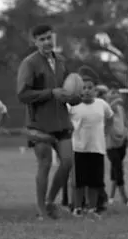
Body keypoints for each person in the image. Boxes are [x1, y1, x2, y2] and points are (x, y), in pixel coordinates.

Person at [17, 24, 80, 220]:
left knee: (68, 162)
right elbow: (23, 94)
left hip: (61, 122)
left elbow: (71, 92)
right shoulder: (29, 63)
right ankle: (41, 209)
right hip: (39, 125)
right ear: (34, 42)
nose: (46, 42)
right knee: (44, 164)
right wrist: (51, 93)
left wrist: (73, 97)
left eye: (48, 37)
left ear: (53, 38)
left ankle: (51, 202)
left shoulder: (61, 61)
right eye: (41, 39)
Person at [69, 77, 113, 217]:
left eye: (90, 88)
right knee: (79, 181)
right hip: (79, 149)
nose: (87, 91)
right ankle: (77, 208)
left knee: (95, 182)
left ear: (95, 91)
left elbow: (110, 117)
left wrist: (106, 132)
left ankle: (92, 208)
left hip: (97, 148)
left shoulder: (102, 104)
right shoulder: (73, 106)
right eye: (84, 88)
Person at [104, 86, 128, 207]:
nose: (116, 96)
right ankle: (125, 199)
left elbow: (124, 123)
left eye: (116, 94)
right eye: (112, 94)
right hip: (111, 144)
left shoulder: (120, 109)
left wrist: (127, 136)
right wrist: (113, 101)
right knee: (117, 169)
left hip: (121, 143)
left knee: (116, 170)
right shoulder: (106, 109)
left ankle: (111, 197)